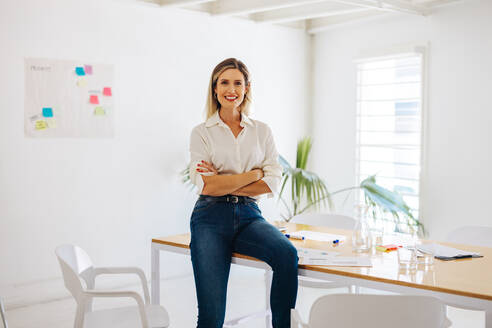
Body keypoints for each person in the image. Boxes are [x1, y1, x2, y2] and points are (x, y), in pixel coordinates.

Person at [188, 58, 298, 328]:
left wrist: (227, 180)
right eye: (224, 82)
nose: (231, 89)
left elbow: (272, 182)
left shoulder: (262, 131)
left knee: (286, 255)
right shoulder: (202, 133)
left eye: (238, 83)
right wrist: (254, 174)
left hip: (250, 215)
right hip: (210, 217)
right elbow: (207, 186)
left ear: (247, 88)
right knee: (212, 315)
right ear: (215, 88)